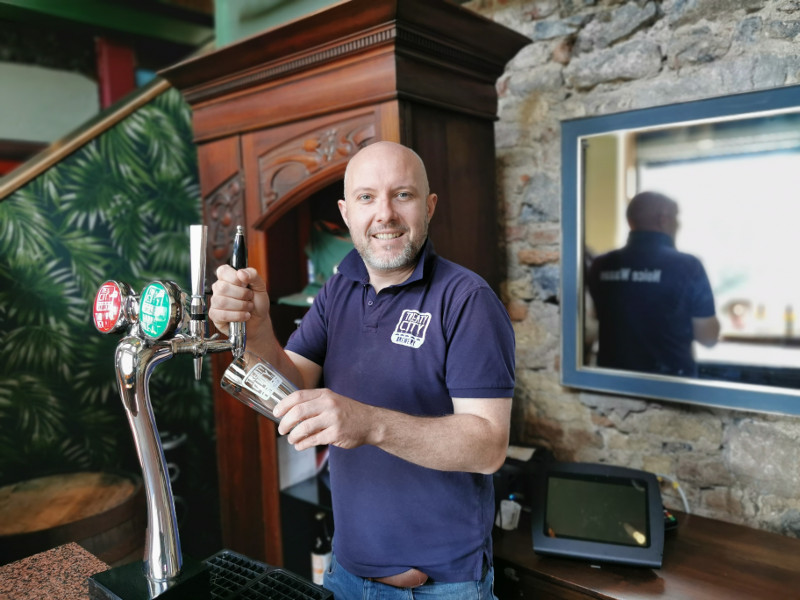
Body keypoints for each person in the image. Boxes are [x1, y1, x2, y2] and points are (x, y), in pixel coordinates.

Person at [209, 141, 516, 599]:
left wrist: (367, 423)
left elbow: (488, 446)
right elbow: (291, 389)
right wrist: (256, 329)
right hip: (346, 572)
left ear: (429, 207)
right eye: (367, 197)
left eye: (403, 195)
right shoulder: (339, 289)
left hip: (441, 588)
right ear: (346, 212)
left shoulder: (467, 299)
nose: (385, 214)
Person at [586, 191, 720, 377]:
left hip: (613, 383)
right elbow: (708, 338)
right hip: (669, 386)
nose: (679, 224)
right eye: (676, 217)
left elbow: (596, 316)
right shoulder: (688, 266)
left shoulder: (600, 265)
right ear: (663, 219)